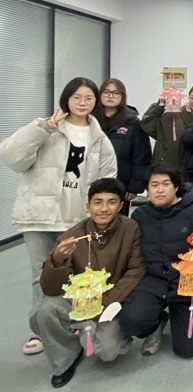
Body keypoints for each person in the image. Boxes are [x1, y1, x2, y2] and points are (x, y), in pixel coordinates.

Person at [0, 77, 117, 356]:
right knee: (40, 273)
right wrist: (40, 130)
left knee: (76, 274)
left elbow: (107, 177)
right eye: (77, 97)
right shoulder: (47, 128)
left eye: (88, 98)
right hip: (39, 215)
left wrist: (99, 212)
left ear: (95, 102)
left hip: (75, 216)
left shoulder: (99, 137)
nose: (82, 103)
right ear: (66, 99)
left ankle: (69, 323)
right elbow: (13, 158)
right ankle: (41, 330)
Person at [30, 178, 146, 388]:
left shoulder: (130, 228)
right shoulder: (71, 236)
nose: (104, 208)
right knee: (45, 310)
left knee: (109, 352)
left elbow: (136, 270)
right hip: (80, 299)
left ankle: (119, 336)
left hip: (111, 300)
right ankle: (65, 359)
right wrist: (56, 260)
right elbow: (49, 289)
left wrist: (106, 301)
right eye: (97, 202)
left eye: (111, 202)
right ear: (88, 206)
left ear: (121, 205)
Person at [118, 164, 193, 358]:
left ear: (176, 187)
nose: (160, 190)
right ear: (147, 189)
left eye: (165, 184)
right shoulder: (140, 216)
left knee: (188, 348)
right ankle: (157, 322)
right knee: (131, 321)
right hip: (154, 279)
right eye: (154, 185)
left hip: (188, 282)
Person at [94, 78, 152, 215]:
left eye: (116, 93)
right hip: (91, 181)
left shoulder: (132, 123)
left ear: (122, 97)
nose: (110, 96)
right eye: (106, 92)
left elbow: (141, 157)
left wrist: (134, 187)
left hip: (120, 184)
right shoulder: (90, 119)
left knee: (117, 223)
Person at [141, 83, 193, 178]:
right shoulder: (172, 116)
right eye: (192, 98)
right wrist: (161, 104)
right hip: (168, 168)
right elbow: (147, 124)